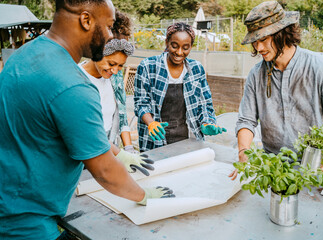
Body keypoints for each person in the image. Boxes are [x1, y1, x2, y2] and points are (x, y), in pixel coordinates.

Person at [0, 1, 174, 239]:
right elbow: (103, 169)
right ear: (86, 20)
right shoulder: (72, 85)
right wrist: (143, 195)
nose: (111, 35)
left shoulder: (23, 55)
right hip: (26, 222)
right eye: (110, 26)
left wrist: (121, 153)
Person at [229, 1, 323, 179]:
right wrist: (243, 152)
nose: (258, 48)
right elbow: (246, 120)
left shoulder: (320, 67)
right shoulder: (256, 75)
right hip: (273, 170)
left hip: (315, 168)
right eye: (255, 42)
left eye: (263, 40)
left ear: (281, 34)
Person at [79, 11, 153, 176]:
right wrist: (120, 155)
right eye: (111, 63)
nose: (114, 70)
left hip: (109, 150)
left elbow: (121, 116)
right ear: (97, 51)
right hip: (84, 156)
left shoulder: (115, 77)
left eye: (120, 66)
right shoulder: (77, 79)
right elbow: (86, 133)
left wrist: (128, 149)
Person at [134, 22, 227, 152]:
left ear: (191, 47)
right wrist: (151, 123)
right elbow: (141, 103)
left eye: (185, 48)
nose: (179, 52)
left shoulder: (196, 69)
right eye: (174, 46)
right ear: (167, 42)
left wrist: (207, 122)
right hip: (155, 140)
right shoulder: (148, 67)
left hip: (189, 139)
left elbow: (205, 103)